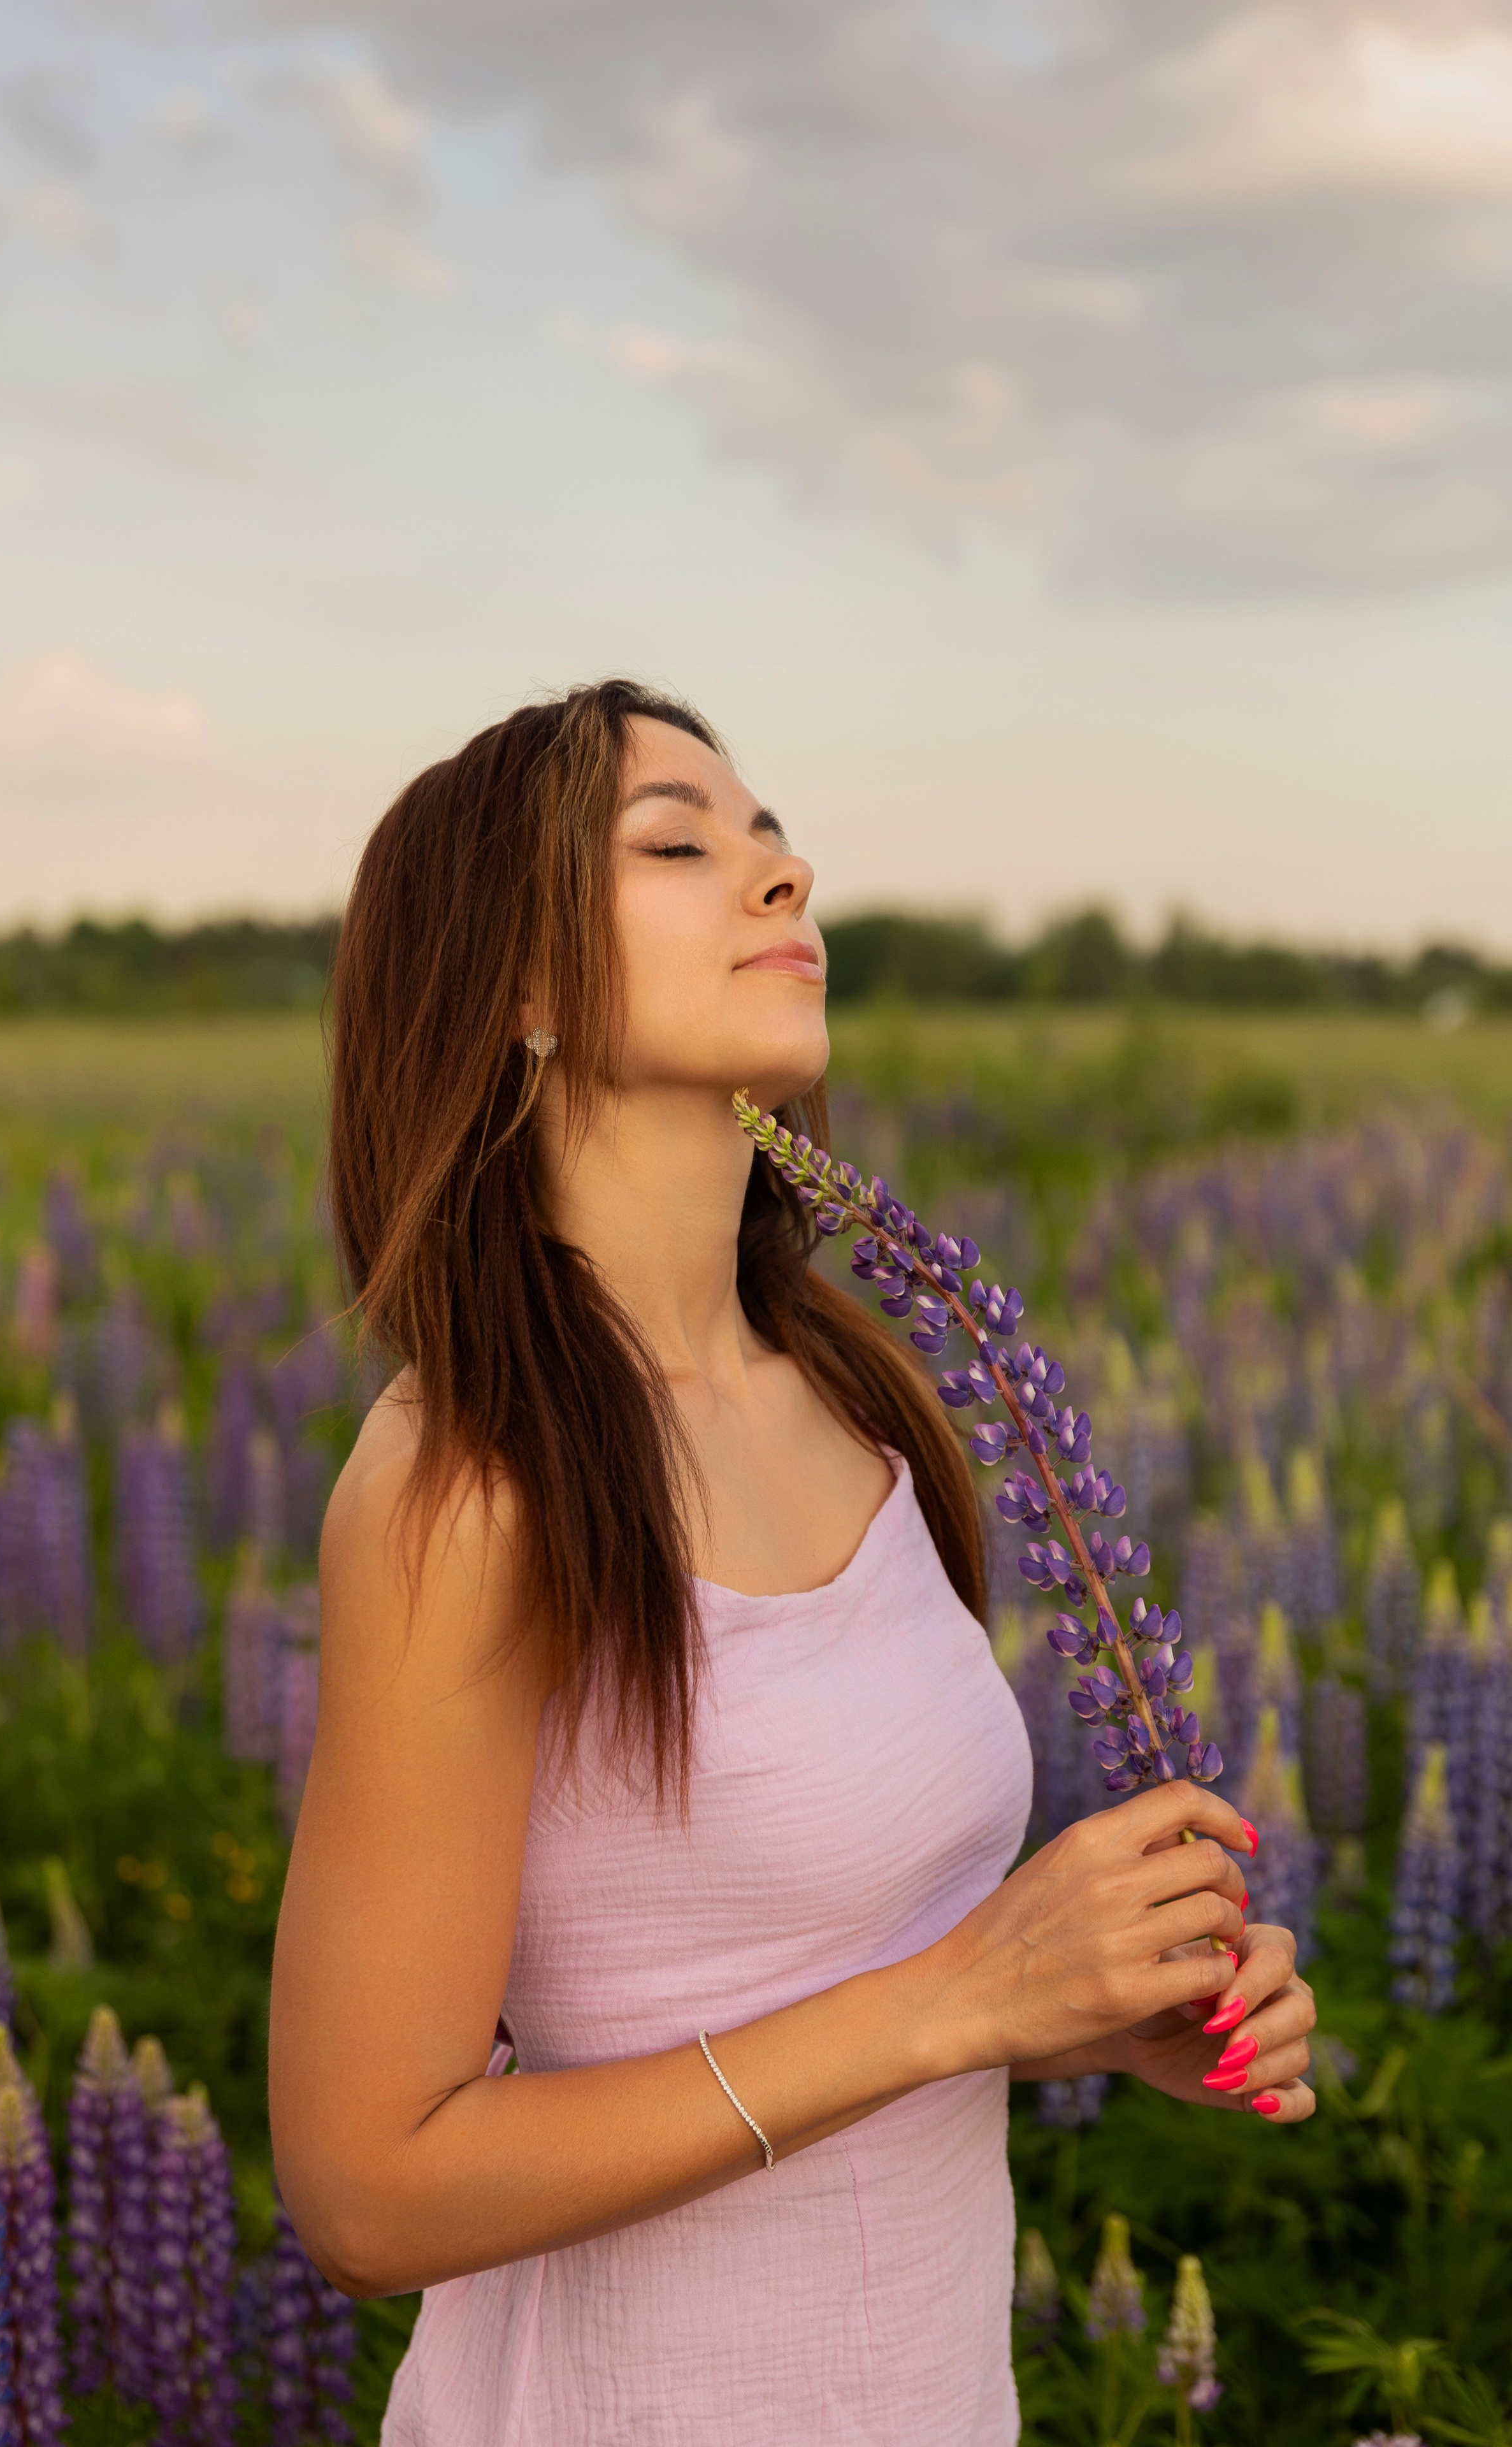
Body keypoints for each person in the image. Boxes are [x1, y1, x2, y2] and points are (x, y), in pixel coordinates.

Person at [269, 679, 1316, 2447]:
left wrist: (1070, 2014)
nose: (782, 872)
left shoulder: (865, 1394)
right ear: (516, 986)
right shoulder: (472, 1479)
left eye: (772, 837)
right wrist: (952, 2002)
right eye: (679, 842)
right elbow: (371, 2191)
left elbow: (839, 1967)